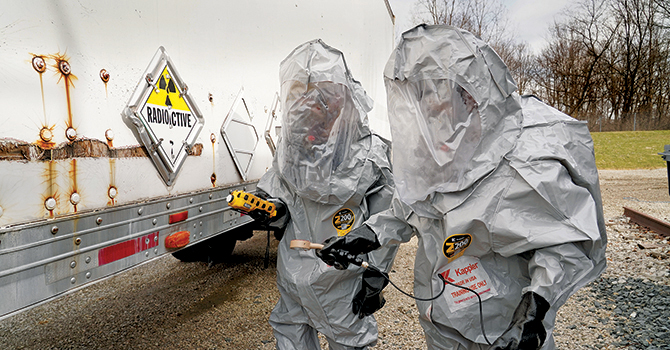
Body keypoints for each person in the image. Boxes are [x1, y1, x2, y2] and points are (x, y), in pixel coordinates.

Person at [317, 25, 607, 350]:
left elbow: (561, 249)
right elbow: (408, 211)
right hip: (439, 322)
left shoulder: (525, 158)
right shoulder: (437, 149)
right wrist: (362, 238)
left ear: (468, 93)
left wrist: (534, 313)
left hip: (502, 332)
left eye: (430, 91)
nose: (422, 106)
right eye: (416, 93)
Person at [256, 39, 397, 350]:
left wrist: (377, 272)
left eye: (320, 94)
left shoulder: (370, 155)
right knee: (291, 332)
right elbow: (278, 191)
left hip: (340, 279)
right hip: (293, 274)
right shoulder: (291, 152)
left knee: (348, 340)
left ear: (342, 99)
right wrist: (273, 209)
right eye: (299, 93)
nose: (309, 103)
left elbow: (389, 220)